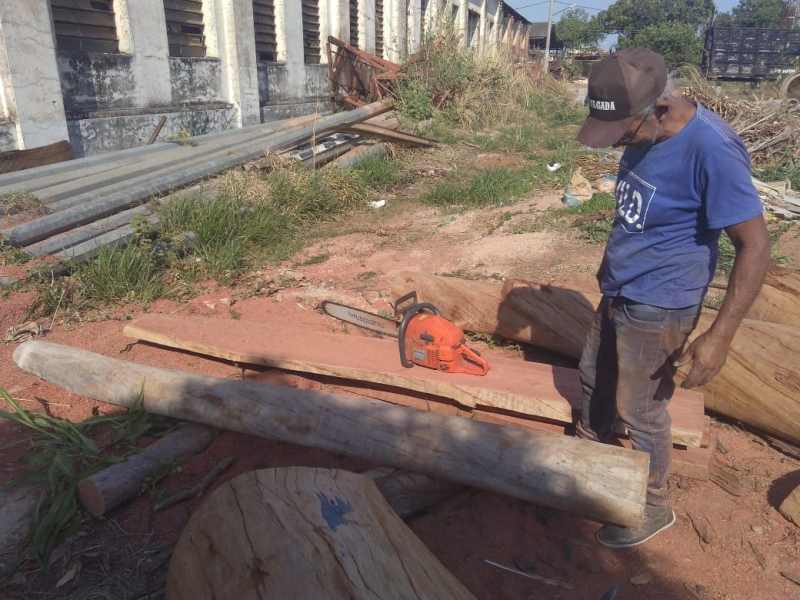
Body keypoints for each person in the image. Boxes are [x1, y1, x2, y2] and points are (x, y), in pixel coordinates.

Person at [574, 48, 771, 549]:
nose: (621, 142)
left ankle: (654, 506)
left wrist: (720, 336)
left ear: (658, 108)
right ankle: (592, 466)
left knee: (640, 409)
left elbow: (754, 245)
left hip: (662, 299)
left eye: (625, 132)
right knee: (594, 379)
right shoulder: (641, 125)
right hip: (620, 285)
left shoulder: (712, 149)